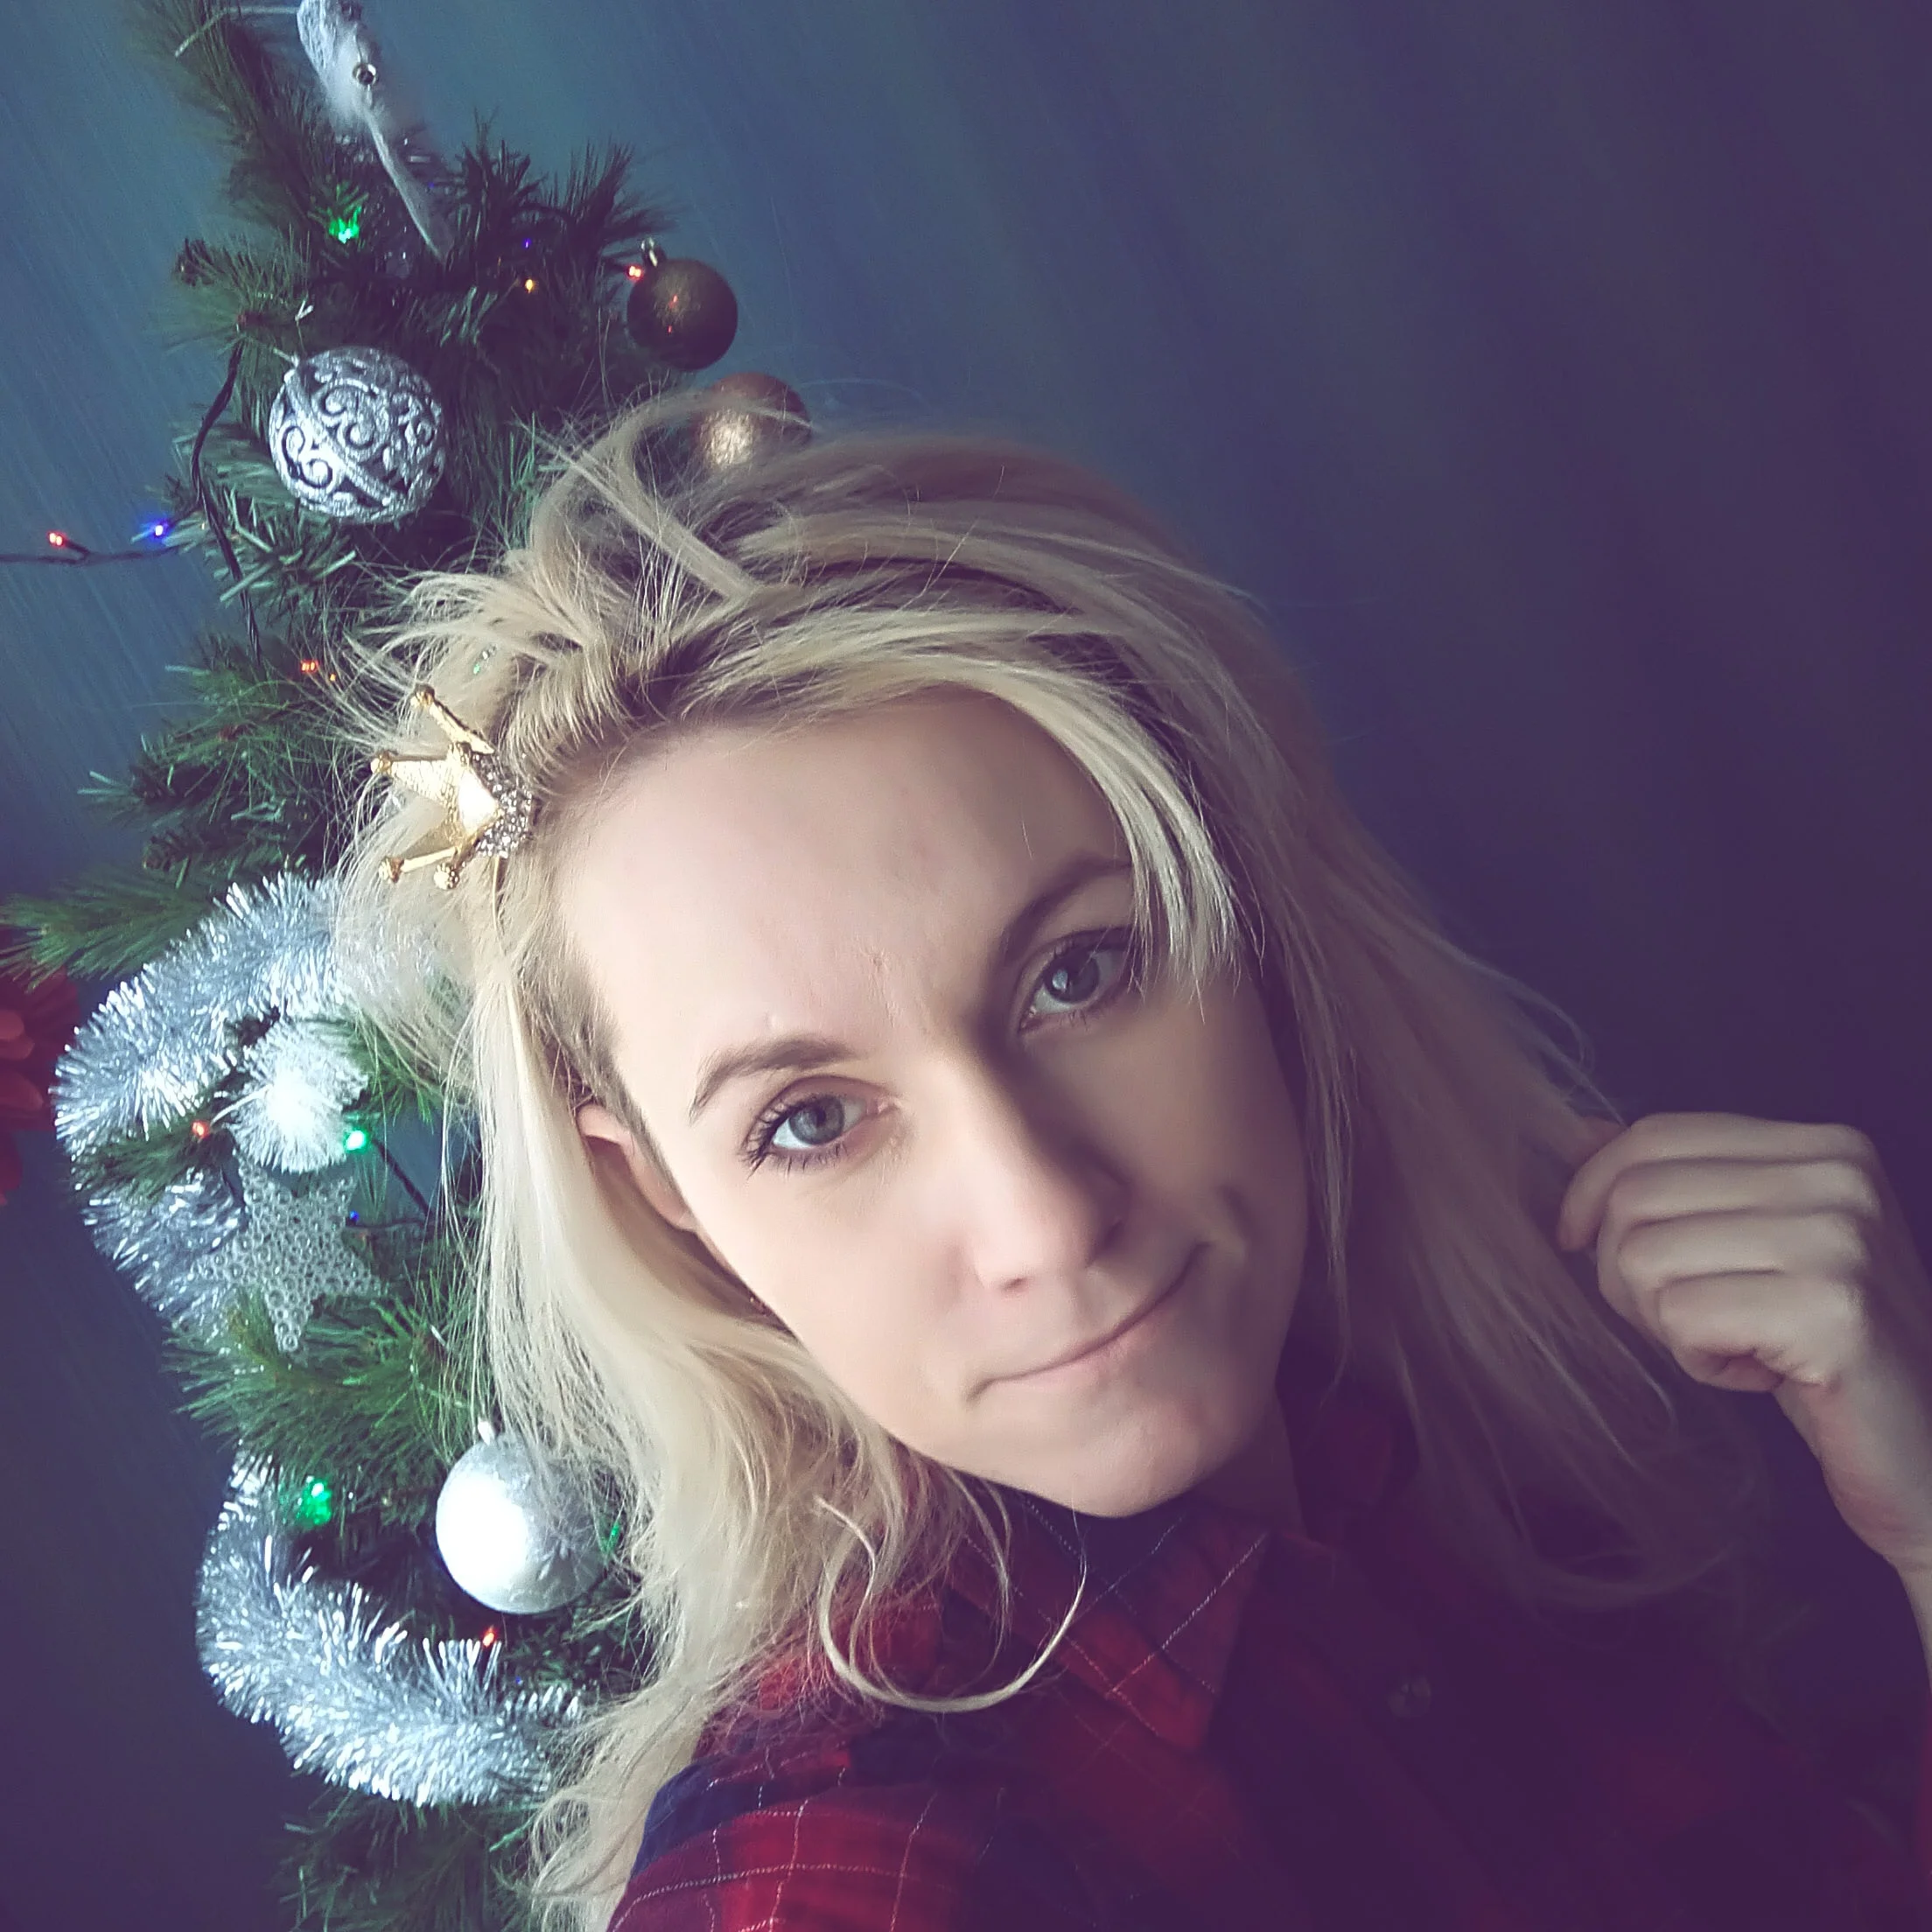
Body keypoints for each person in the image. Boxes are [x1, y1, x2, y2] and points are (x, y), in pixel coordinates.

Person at [335, 388, 1932, 1930]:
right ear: (667, 1200)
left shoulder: (1422, 1482)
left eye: (1079, 974)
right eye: (809, 1120)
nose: (1044, 1221)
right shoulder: (845, 1872)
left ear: (1249, 919)